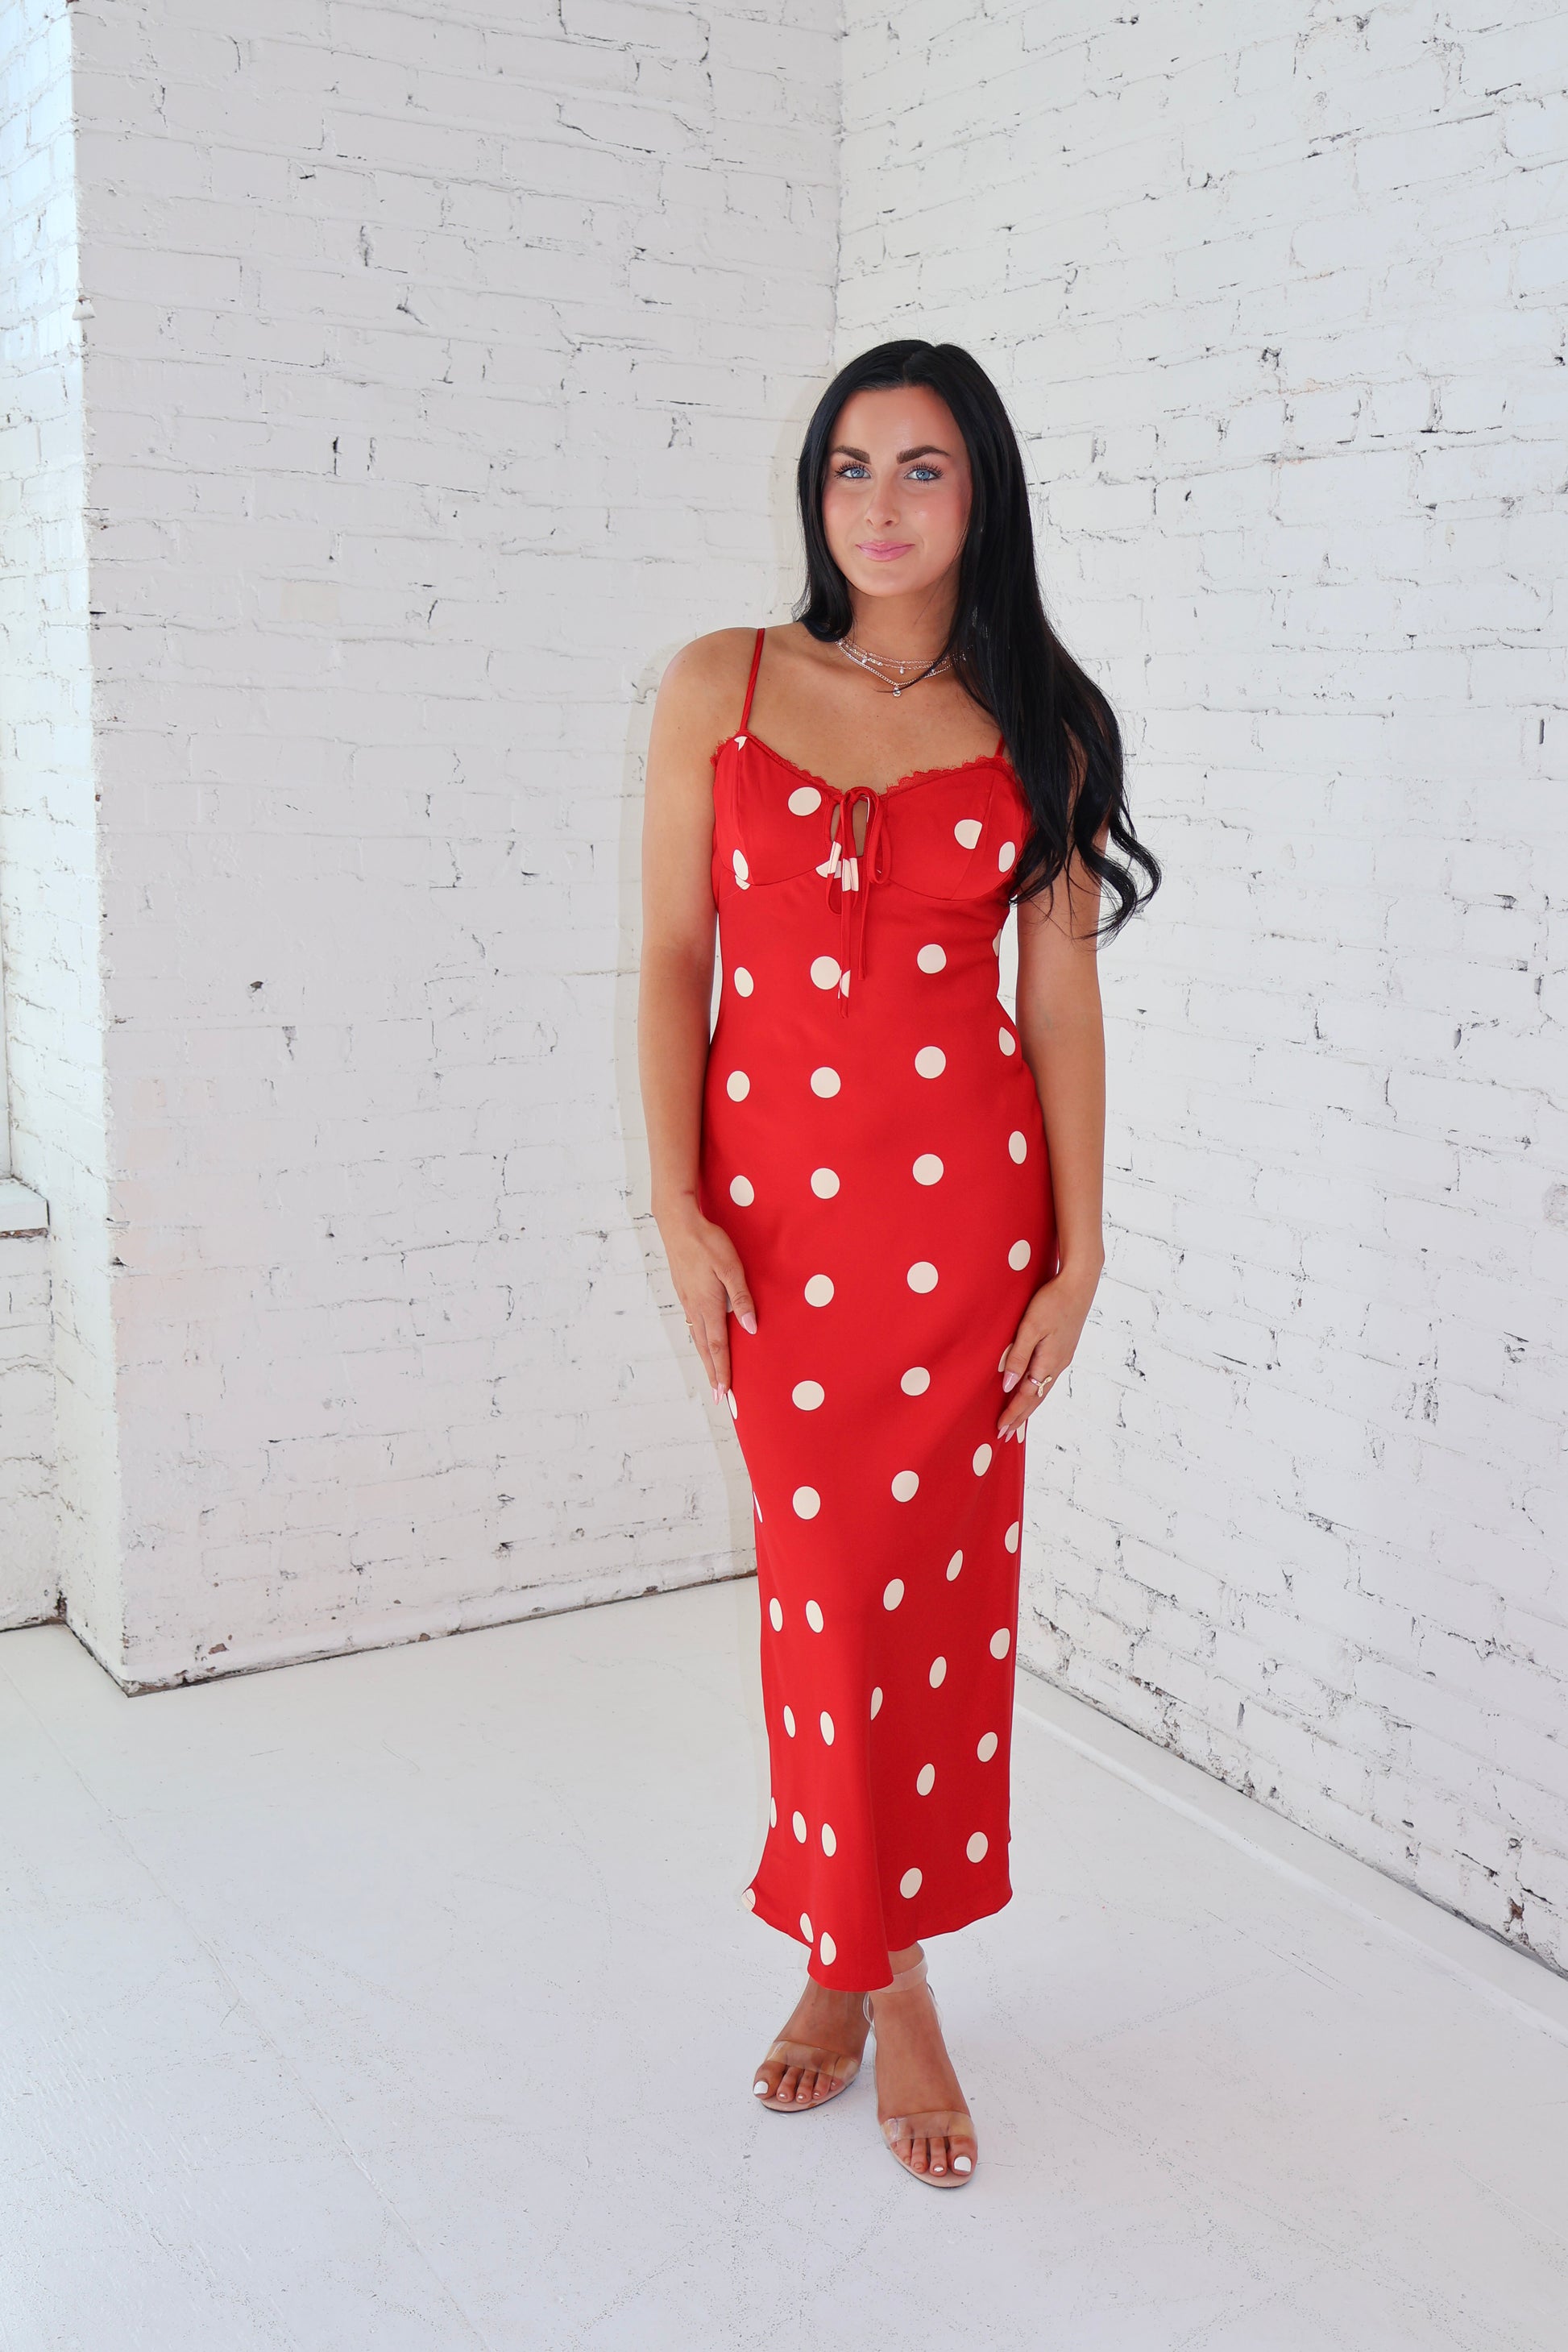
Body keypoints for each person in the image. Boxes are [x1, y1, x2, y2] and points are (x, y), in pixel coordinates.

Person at [637, 339, 1159, 2188]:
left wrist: (1079, 1256)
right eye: (850, 464)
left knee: (928, 1603)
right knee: (822, 1595)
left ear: (979, 491)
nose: (879, 500)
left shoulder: (1039, 722)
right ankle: (878, 1962)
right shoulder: (720, 682)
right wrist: (677, 1205)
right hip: (778, 1235)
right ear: (815, 490)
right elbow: (670, 958)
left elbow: (1060, 1006)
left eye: (922, 466)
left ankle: (863, 1963)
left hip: (961, 1235)